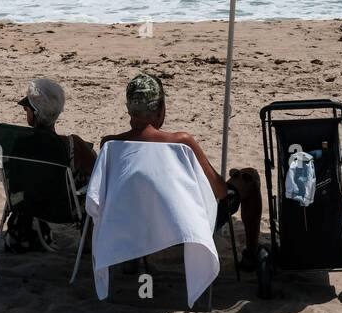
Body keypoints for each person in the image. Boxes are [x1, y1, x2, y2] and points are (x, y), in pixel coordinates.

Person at [102, 73, 264, 271]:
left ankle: (132, 257)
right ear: (160, 109)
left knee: (139, 196)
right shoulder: (181, 142)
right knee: (249, 179)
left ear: (129, 107)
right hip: (180, 228)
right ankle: (251, 255)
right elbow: (220, 192)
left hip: (134, 226)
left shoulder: (110, 144)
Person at [17, 76, 96, 189]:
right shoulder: (73, 146)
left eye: (27, 107)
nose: (24, 109)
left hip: (25, 205)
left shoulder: (18, 143)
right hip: (62, 205)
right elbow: (98, 172)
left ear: (35, 113)